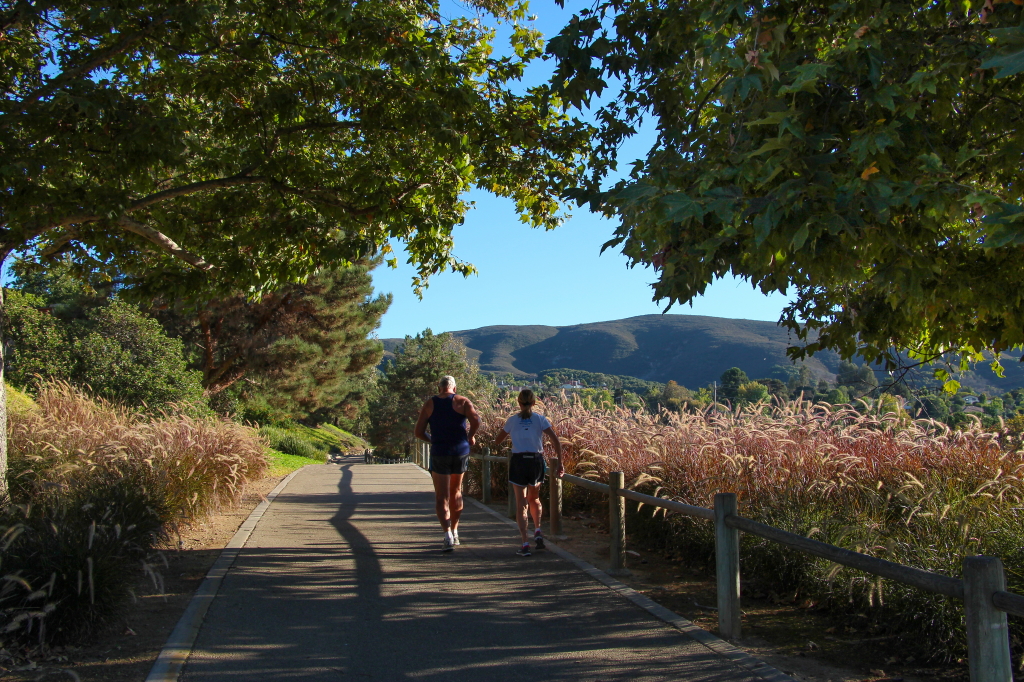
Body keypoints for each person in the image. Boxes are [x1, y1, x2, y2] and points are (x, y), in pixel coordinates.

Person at [414, 375, 481, 553]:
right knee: (456, 491)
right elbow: (476, 421)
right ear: (454, 388)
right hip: (460, 452)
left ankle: (447, 535)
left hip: (440, 452)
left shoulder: (430, 404)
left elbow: (418, 432)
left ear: (439, 389)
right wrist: (470, 437)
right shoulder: (463, 401)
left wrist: (433, 440)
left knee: (441, 496)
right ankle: (456, 530)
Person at [494, 389, 564, 557]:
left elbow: (497, 441)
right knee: (535, 498)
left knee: (521, 503)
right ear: (534, 403)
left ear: (518, 402)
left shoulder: (512, 421)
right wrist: (560, 463)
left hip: (519, 461)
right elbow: (556, 441)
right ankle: (538, 529)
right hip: (536, 461)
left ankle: (525, 543)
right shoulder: (540, 419)